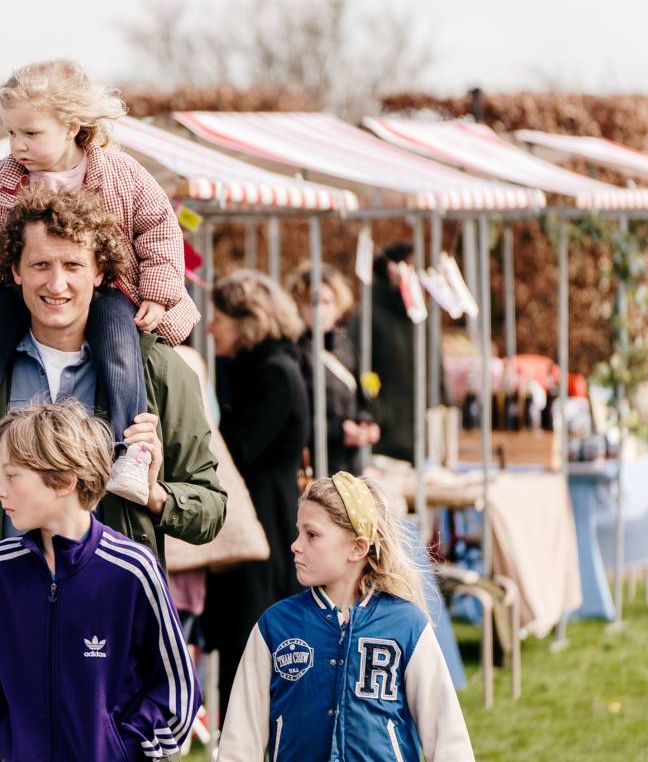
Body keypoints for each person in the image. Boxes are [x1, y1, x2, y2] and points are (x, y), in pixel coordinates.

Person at [0, 184, 226, 761]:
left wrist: (156, 493)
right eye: (40, 265)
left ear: (100, 271)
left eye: (73, 265)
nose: (57, 283)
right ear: (15, 272)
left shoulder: (156, 371)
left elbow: (209, 510)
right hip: (2, 641)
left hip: (107, 658)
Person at [0, 59, 199, 505]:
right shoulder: (0, 179)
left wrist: (158, 292)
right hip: (18, 289)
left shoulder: (122, 173)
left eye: (31, 133)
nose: (18, 145)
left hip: (110, 288)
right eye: (11, 133)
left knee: (120, 345)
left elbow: (159, 228)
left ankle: (130, 452)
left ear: (71, 126)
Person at [0, 402, 200, 760]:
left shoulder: (133, 569)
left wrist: (126, 749)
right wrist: (6, 739)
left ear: (65, 480)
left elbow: (178, 689)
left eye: (11, 476)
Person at [217, 473, 474, 762]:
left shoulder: (407, 626)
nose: (295, 545)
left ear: (357, 548)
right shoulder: (274, 626)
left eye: (312, 535)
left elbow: (447, 737)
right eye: (298, 532)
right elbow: (240, 741)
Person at [201, 270, 310, 710]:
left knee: (250, 648)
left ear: (247, 321)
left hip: (263, 529)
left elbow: (236, 450)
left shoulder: (273, 375)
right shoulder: (263, 369)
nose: (210, 328)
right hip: (258, 523)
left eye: (219, 318)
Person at [288, 263, 379, 475]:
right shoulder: (294, 351)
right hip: (313, 465)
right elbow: (293, 416)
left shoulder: (345, 346)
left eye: (328, 302)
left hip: (351, 463)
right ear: (299, 304)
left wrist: (366, 422)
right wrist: (339, 431)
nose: (320, 310)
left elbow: (362, 395)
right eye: (313, 301)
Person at [353, 242, 420, 463]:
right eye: (409, 266)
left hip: (418, 430)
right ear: (392, 268)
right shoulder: (369, 317)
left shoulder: (417, 314)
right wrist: (379, 409)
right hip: (386, 438)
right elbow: (363, 370)